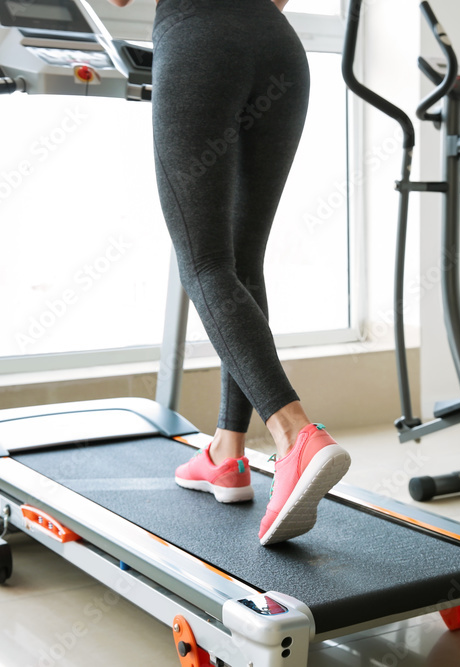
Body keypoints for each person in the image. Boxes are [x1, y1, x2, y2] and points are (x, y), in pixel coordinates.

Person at [108, 0, 350, 545]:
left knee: (205, 261)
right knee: (243, 259)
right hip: (277, 46)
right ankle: (226, 451)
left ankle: (295, 437)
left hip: (199, 42)